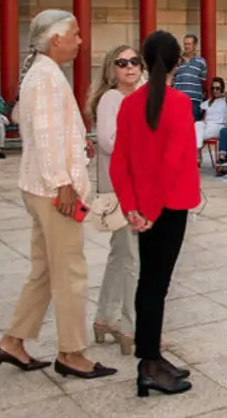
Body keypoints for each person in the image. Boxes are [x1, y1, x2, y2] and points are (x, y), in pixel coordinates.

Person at [0, 9, 116, 381]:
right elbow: (45, 136)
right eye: (76, 35)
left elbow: (47, 130)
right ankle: (71, 352)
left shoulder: (41, 74)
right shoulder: (45, 76)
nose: (81, 41)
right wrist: (64, 183)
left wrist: (77, 151)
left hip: (39, 187)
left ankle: (12, 342)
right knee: (70, 273)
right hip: (53, 192)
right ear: (56, 40)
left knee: (45, 272)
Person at [111, 30, 201, 397]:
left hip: (145, 208)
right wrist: (148, 210)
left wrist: (133, 207)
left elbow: (120, 162)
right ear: (178, 61)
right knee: (155, 285)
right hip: (169, 205)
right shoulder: (179, 103)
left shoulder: (129, 104)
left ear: (144, 62)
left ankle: (151, 357)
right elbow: (172, 162)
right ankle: (148, 364)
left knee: (150, 283)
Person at [85, 45, 143, 355]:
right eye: (122, 63)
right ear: (112, 69)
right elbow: (108, 142)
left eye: (135, 61)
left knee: (121, 254)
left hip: (136, 185)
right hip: (121, 187)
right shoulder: (111, 98)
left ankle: (104, 318)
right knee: (131, 255)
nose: (130, 67)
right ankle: (129, 325)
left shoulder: (138, 96)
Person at [194, 77, 227, 164]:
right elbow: (203, 114)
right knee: (198, 124)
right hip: (207, 126)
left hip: (219, 127)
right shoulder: (209, 101)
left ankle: (197, 153)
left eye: (218, 88)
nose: (215, 90)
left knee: (194, 135)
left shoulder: (226, 100)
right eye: (213, 88)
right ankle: (198, 151)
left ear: (222, 88)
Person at [172, 34, 207, 121]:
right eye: (185, 44)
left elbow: (202, 81)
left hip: (194, 99)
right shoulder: (176, 60)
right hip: (178, 99)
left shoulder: (201, 62)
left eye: (189, 44)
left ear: (195, 45)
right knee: (178, 124)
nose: (186, 46)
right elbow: (171, 77)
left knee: (193, 125)